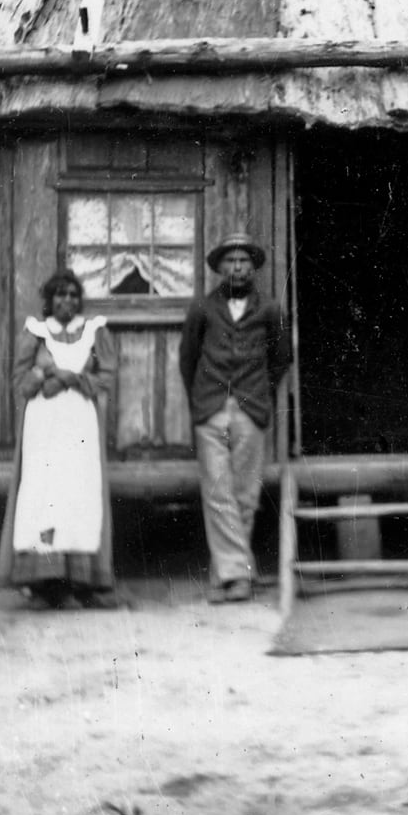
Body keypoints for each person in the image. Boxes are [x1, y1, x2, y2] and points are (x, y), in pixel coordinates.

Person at [0, 269, 120, 610]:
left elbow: (105, 376)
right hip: (44, 426)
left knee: (79, 494)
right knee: (45, 494)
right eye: (60, 295)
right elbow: (21, 383)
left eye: (73, 295)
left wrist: (68, 377)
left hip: (79, 423)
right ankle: (46, 584)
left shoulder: (93, 331)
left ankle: (81, 581)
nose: (67, 301)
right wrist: (41, 373)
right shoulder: (36, 332)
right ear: (49, 301)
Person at [179, 231, 294, 604]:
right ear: (219, 267)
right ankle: (237, 575)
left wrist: (260, 392)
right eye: (230, 261)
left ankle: (227, 573)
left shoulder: (270, 309)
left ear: (253, 268)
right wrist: (201, 399)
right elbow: (188, 358)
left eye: (244, 261)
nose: (237, 267)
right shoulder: (202, 308)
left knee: (244, 494)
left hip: (251, 407)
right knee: (217, 490)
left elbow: (281, 359)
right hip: (211, 408)